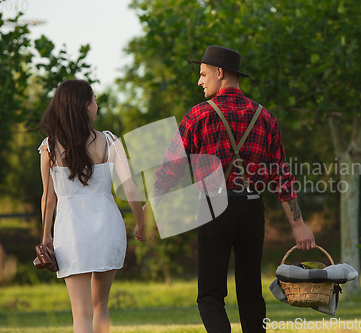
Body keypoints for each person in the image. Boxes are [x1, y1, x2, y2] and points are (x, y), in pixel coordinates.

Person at [150, 46, 316, 333]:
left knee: (210, 296)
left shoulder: (198, 115)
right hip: (252, 210)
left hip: (214, 209)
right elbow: (281, 177)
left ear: (219, 73)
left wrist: (151, 209)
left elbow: (170, 169)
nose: (199, 81)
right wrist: (299, 226)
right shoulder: (265, 117)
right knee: (251, 293)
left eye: (203, 74)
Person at [37, 79, 146, 333]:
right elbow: (129, 188)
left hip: (71, 234)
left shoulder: (49, 147)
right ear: (84, 106)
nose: (97, 104)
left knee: (81, 314)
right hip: (108, 230)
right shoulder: (110, 141)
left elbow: (48, 199)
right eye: (94, 99)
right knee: (101, 306)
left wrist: (45, 237)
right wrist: (141, 223)